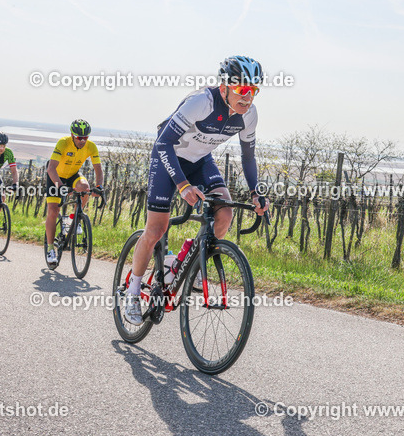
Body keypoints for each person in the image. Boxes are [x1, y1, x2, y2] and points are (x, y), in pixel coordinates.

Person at [122, 56, 269, 324]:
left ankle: (189, 261)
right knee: (156, 230)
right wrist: (182, 185)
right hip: (169, 157)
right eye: (243, 90)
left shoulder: (249, 115)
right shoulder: (202, 102)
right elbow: (163, 144)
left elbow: (248, 158)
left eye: (254, 91)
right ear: (224, 85)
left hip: (200, 160)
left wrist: (256, 193)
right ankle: (132, 292)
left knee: (225, 213)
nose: (248, 98)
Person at [43, 119, 104, 265]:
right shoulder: (63, 143)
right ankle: (50, 249)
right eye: (79, 137)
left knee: (85, 187)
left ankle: (73, 219)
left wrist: (100, 187)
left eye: (85, 137)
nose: (82, 141)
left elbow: (98, 169)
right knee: (52, 210)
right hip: (55, 176)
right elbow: (51, 168)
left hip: (72, 175)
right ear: (72, 135)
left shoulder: (91, 147)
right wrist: (60, 186)